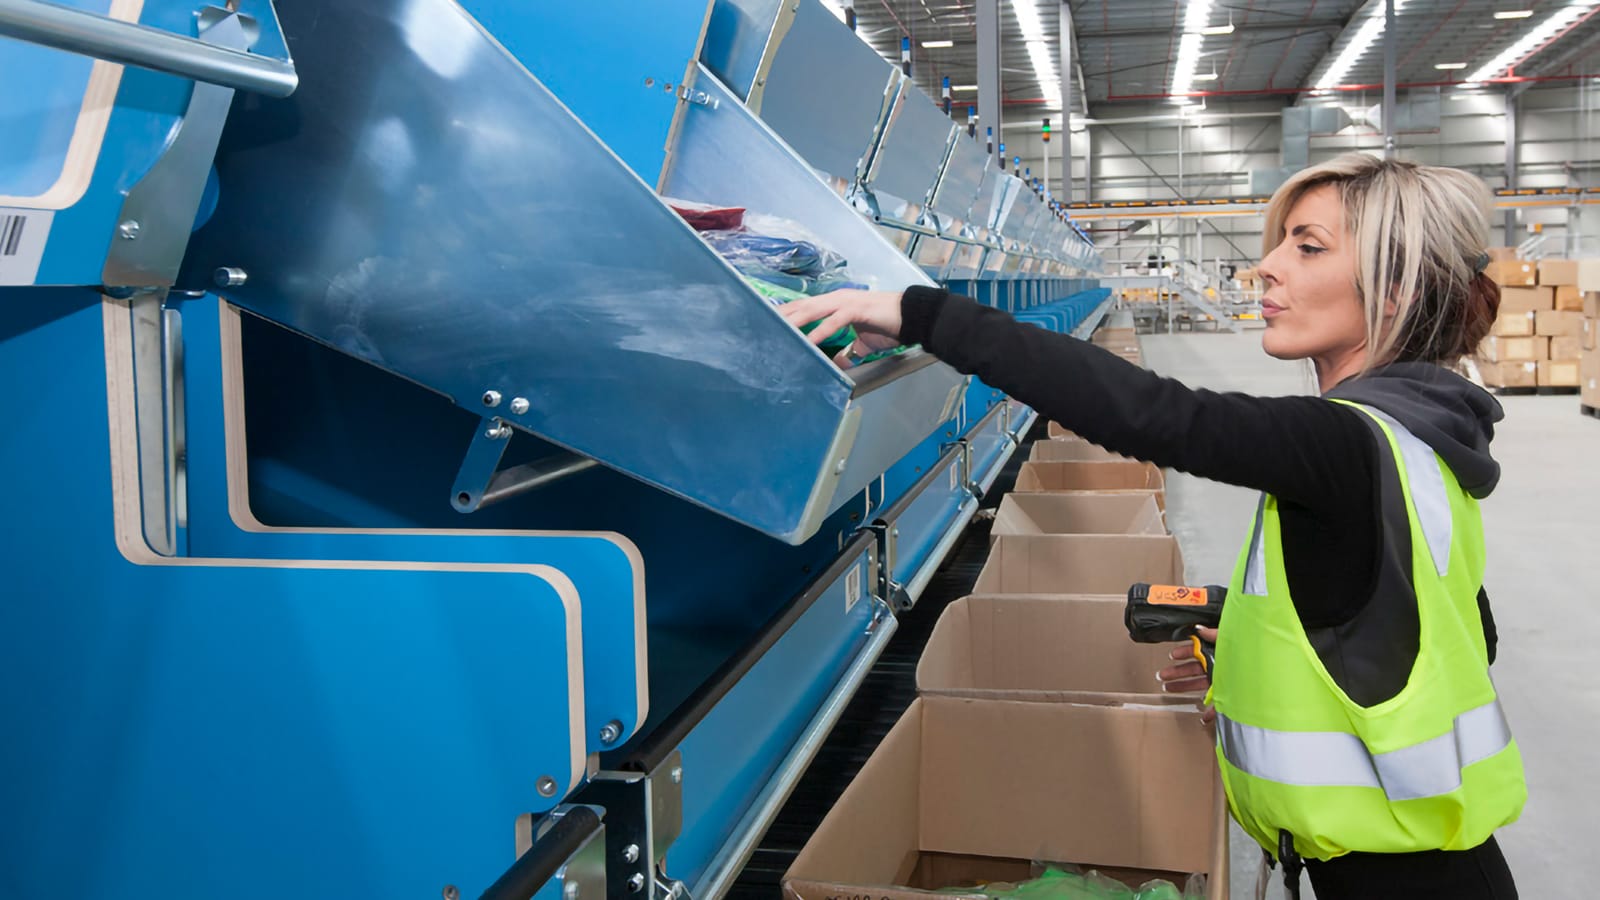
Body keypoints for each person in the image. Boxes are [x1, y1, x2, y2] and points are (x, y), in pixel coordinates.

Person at [777, 153, 1525, 900]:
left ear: (1397, 290)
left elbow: (1159, 416)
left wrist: (922, 313)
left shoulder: (1345, 444)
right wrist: (1265, 642)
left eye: (1307, 246)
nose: (1265, 267)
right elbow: (1450, 630)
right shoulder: (1423, 438)